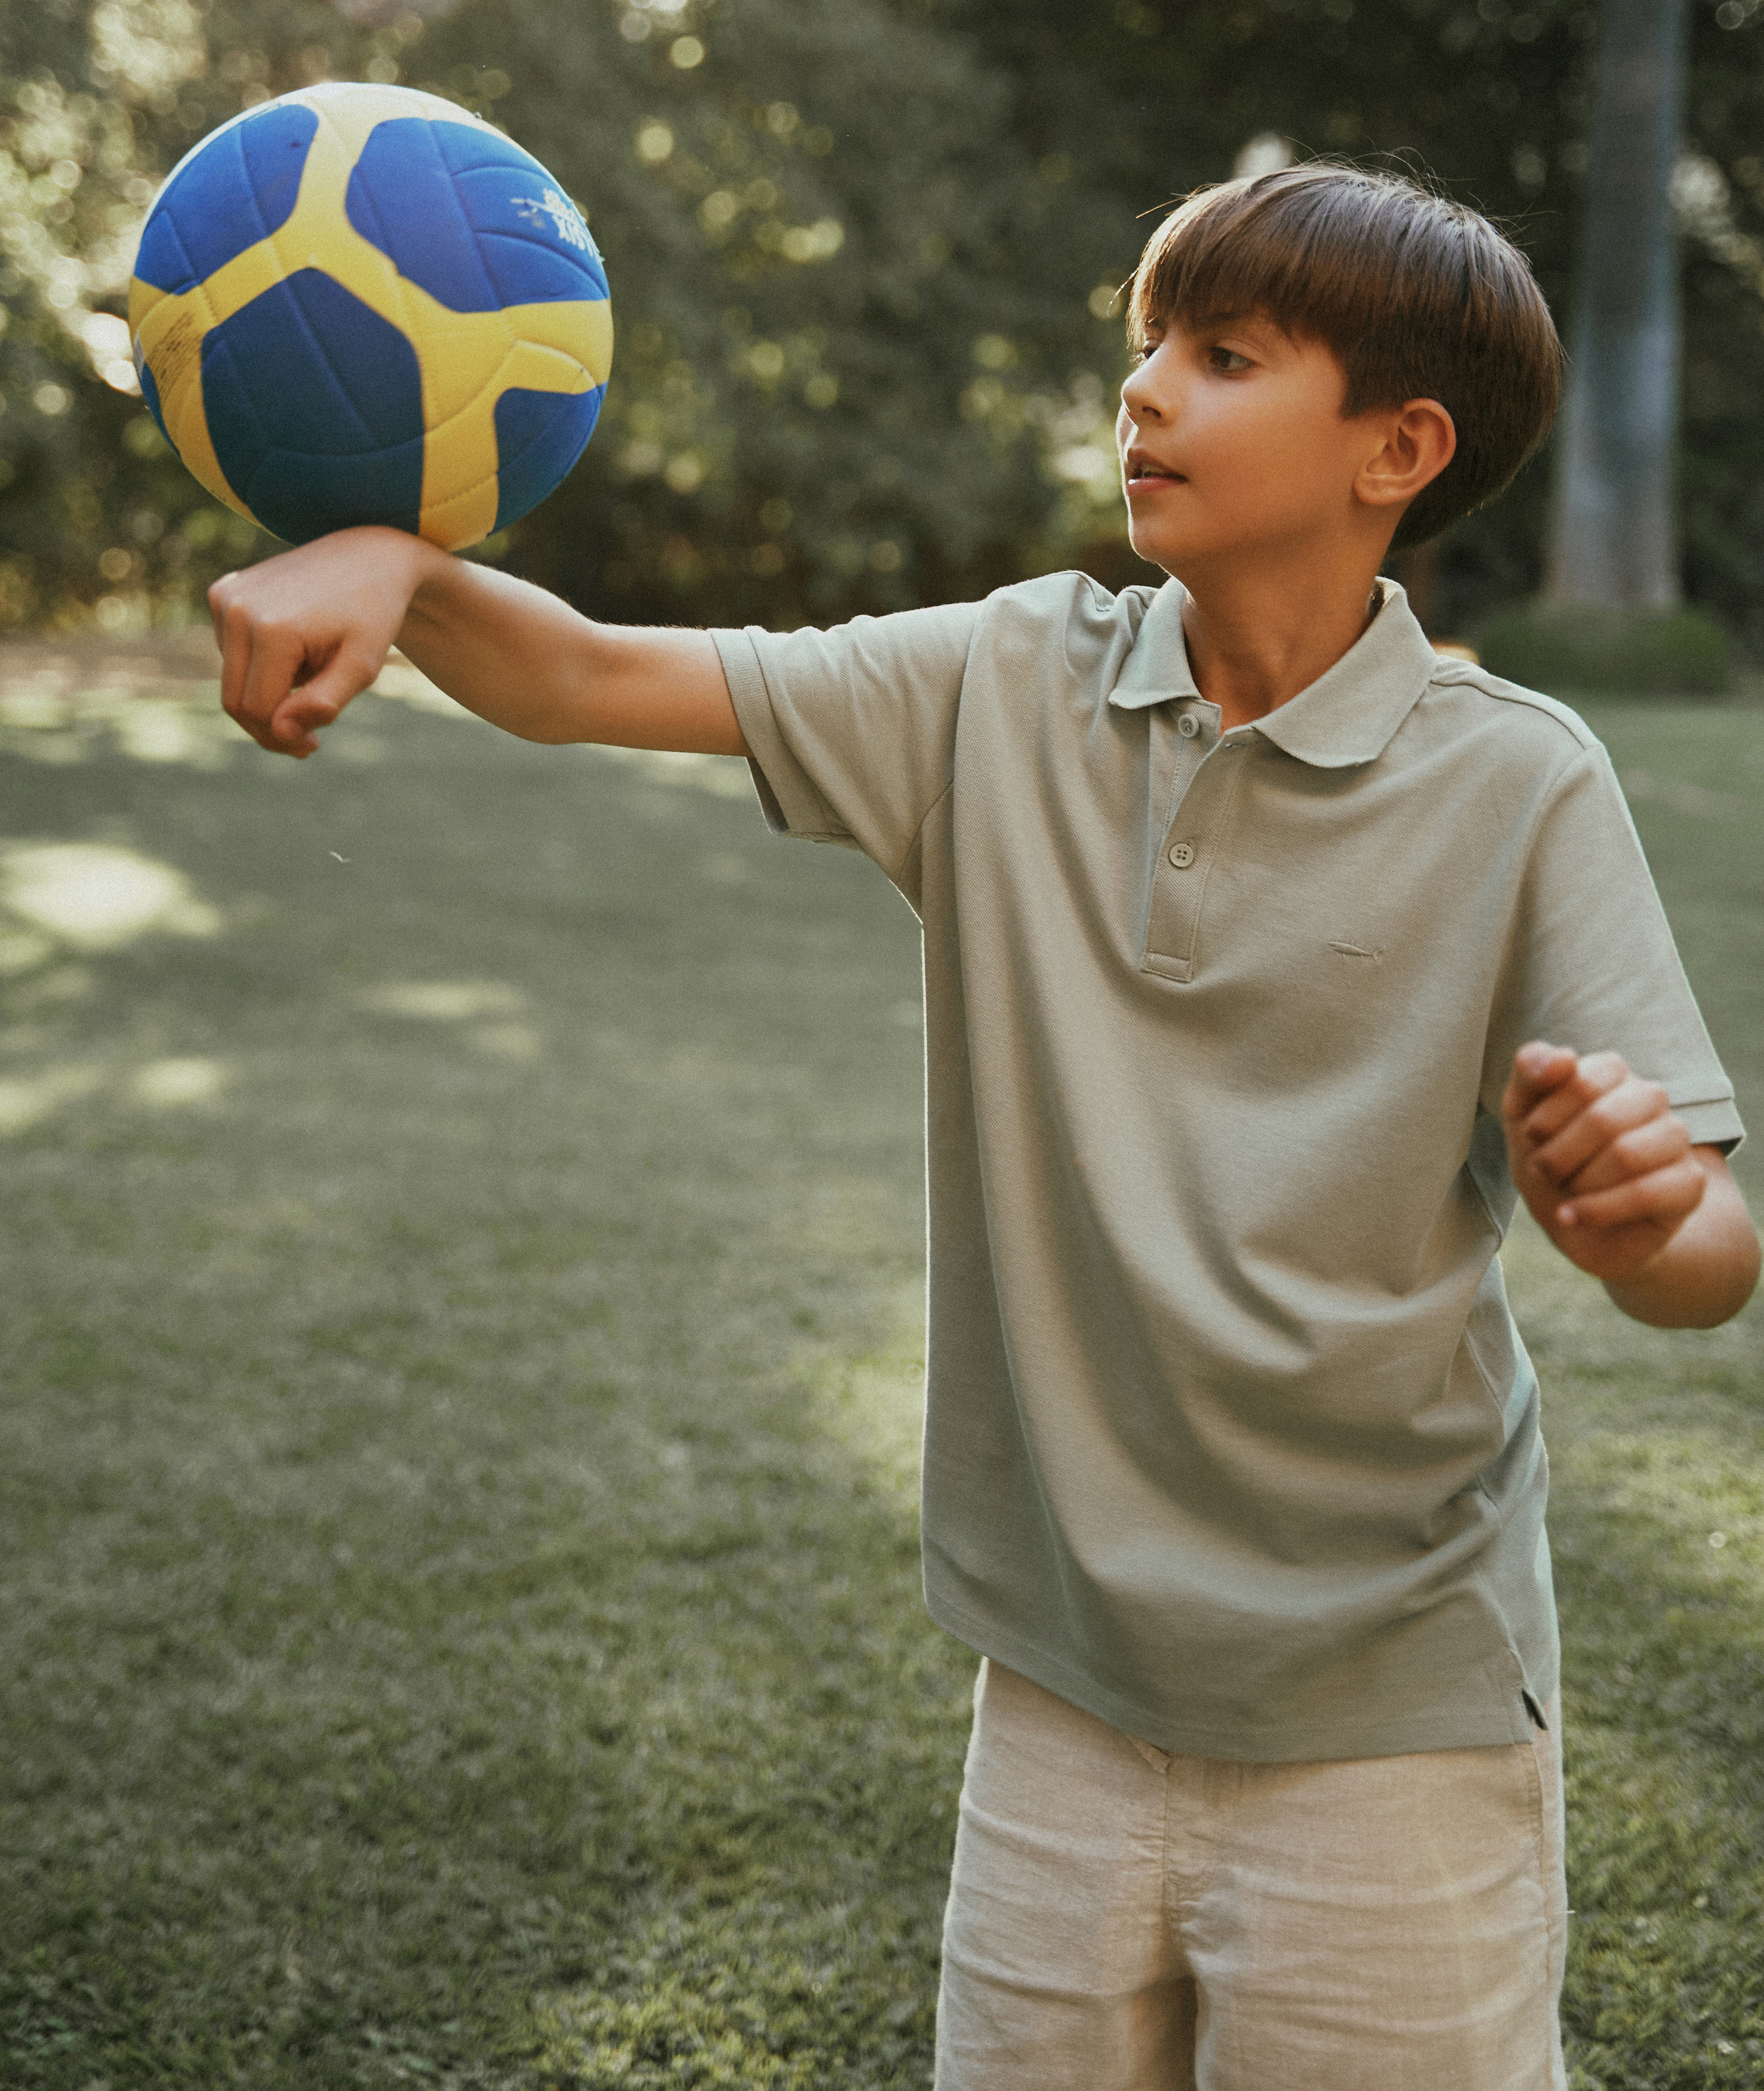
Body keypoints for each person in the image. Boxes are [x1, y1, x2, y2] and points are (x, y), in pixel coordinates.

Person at [209, 162, 1756, 2091]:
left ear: (1401, 450)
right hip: (1064, 1702)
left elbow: (1705, 1252)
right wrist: (400, 564)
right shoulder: (1007, 683)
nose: (1148, 395)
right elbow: (592, 677)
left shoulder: (1522, 784)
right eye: (1146, 350)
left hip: (1393, 1723)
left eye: (1224, 355)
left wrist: (1637, 1220)